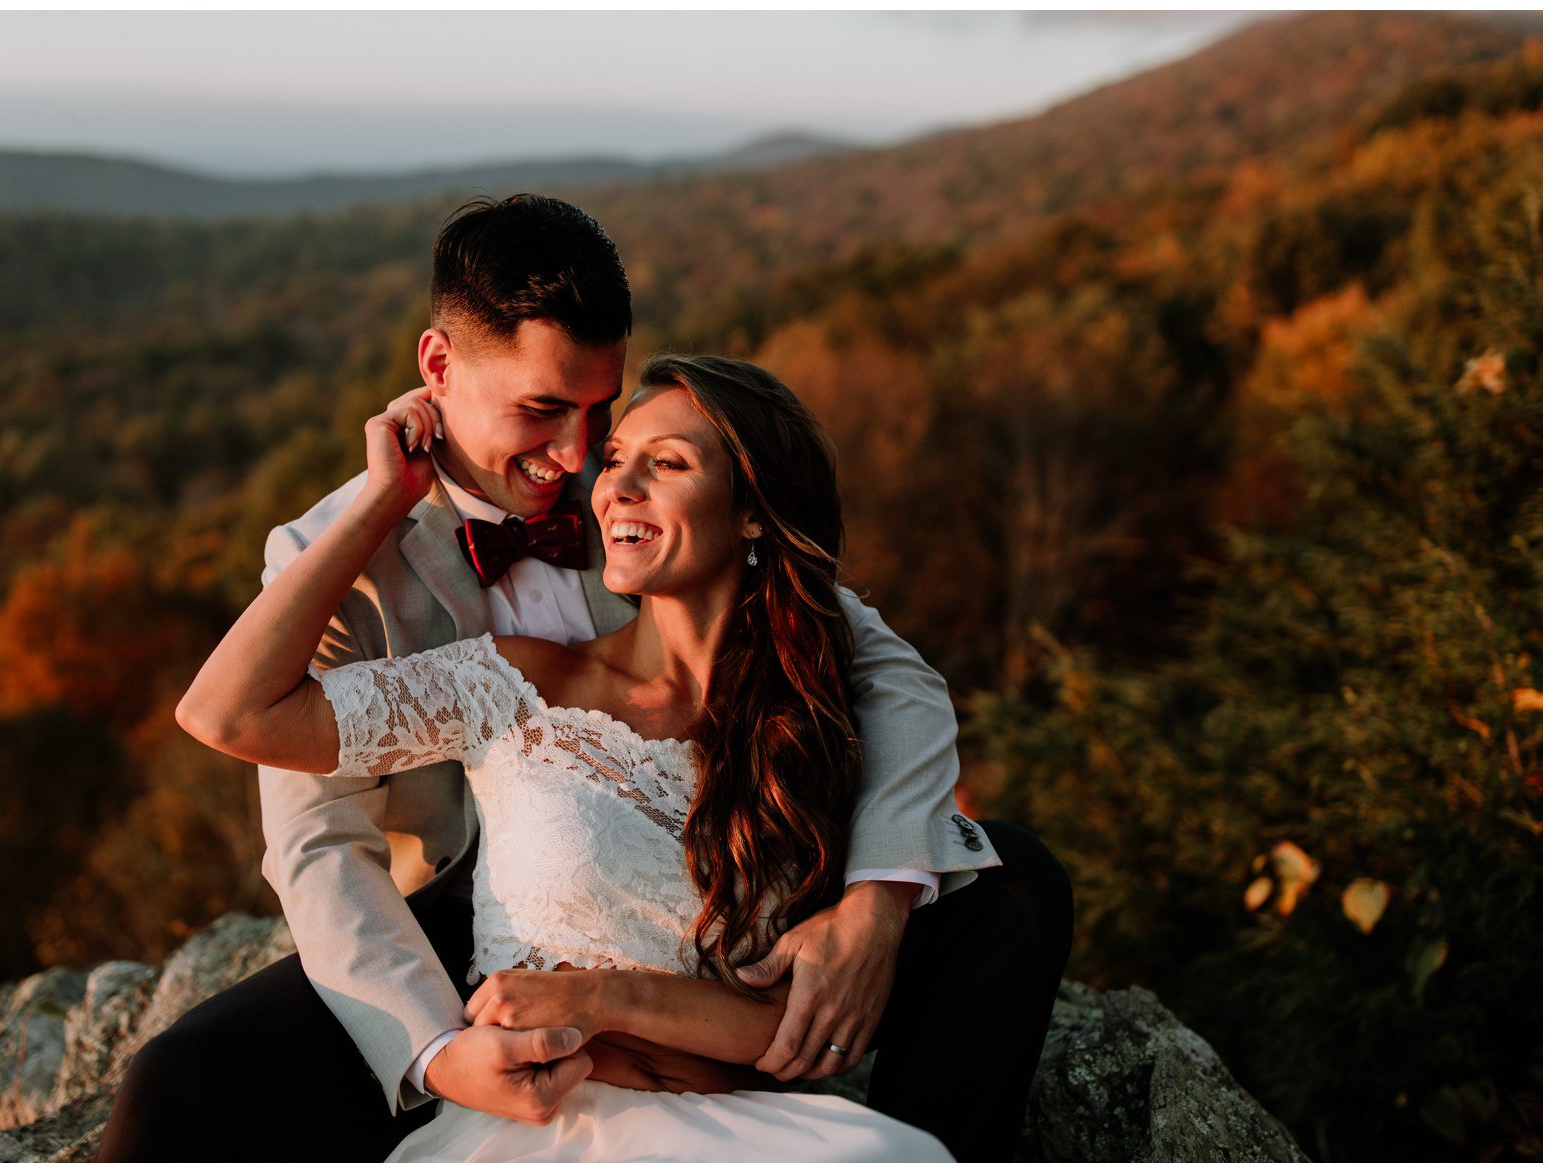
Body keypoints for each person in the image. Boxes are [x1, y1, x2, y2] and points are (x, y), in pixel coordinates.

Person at [95, 195, 1071, 1162]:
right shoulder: (328, 561)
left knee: (1012, 881)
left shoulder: (642, 506)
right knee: (184, 1086)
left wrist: (874, 901)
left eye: (598, 411)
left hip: (699, 867)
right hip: (458, 913)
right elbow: (316, 842)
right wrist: (435, 1050)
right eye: (544, 410)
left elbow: (886, 671)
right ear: (437, 369)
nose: (576, 458)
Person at [177, 354, 997, 1159]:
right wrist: (383, 498)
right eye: (616, 461)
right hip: (549, 1128)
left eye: (666, 463)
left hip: (746, 1128)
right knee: (182, 1080)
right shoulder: (509, 679)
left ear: (754, 511)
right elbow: (228, 711)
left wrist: (602, 996)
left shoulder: (804, 724)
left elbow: (790, 1024)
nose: (611, 484)